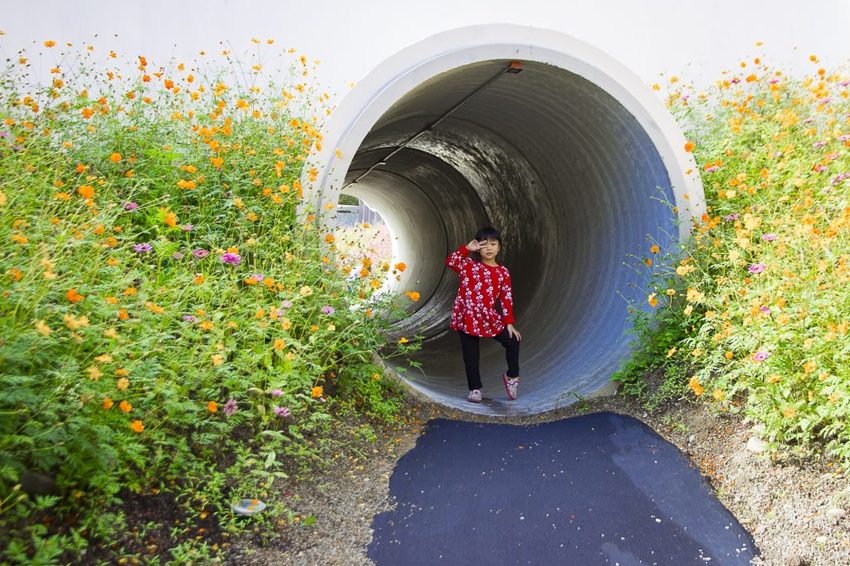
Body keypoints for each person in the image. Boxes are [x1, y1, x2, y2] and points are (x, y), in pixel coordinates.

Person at [445, 226, 522, 403]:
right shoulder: (469, 266)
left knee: (513, 340)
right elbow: (451, 261)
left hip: (488, 317)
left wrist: (509, 322)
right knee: (471, 355)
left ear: (499, 247)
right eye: (484, 244)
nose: (489, 248)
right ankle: (475, 389)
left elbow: (506, 298)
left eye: (493, 244)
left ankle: (512, 376)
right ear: (478, 247)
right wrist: (466, 248)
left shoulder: (503, 273)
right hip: (467, 317)